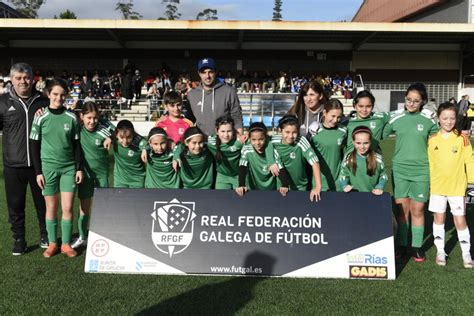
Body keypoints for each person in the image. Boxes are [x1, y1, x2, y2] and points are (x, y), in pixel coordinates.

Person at [382, 83, 438, 262]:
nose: (411, 104)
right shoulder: (396, 118)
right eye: (408, 100)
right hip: (400, 169)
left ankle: (416, 247)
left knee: (418, 208)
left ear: (423, 102)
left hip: (422, 170)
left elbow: (441, 138)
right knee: (401, 209)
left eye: (416, 101)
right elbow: (380, 132)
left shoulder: (429, 119)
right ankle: (400, 245)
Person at [30, 79, 83, 258]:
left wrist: (79, 168)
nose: (59, 98)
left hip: (68, 168)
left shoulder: (71, 117)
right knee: (51, 208)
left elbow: (77, 145)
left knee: (67, 207)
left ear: (66, 96)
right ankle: (53, 243)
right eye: (55, 94)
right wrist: (38, 172)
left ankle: (66, 244)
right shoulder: (40, 116)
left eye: (62, 95)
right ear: (48, 94)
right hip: (48, 169)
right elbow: (34, 146)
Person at [0, 63, 49, 255]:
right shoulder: (3, 102)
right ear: (11, 80)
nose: (23, 82)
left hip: (40, 166)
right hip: (13, 166)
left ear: (33, 78)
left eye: (26, 77)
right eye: (18, 78)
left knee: (43, 204)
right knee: (15, 207)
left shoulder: (43, 102)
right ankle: (19, 239)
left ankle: (46, 234)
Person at [428, 102, 474, 268]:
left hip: (457, 187)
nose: (448, 121)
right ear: (438, 119)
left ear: (456, 119)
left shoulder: (463, 139)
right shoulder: (432, 140)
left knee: (460, 219)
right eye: (445, 118)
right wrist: (430, 184)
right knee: (439, 219)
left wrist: (471, 182)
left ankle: (466, 254)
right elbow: (431, 163)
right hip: (438, 188)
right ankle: (441, 251)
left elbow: (470, 160)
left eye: (452, 118)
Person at [72, 102, 113, 249]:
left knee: (104, 207)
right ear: (82, 117)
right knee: (84, 207)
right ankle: (82, 236)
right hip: (85, 175)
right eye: (89, 117)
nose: (92, 121)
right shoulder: (77, 129)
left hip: (102, 175)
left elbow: (119, 131)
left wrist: (111, 138)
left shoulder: (104, 129)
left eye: (95, 118)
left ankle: (103, 235)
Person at [187, 58, 245, 141]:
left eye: (210, 72)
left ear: (215, 72)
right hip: (202, 143)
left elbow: (237, 117)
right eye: (204, 72)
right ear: (199, 74)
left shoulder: (229, 91)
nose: (207, 76)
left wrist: (240, 137)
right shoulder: (192, 94)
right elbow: (188, 120)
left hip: (224, 142)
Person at [271, 115, 322, 201]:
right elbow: (257, 140)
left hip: (300, 186)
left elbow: (315, 162)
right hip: (281, 186)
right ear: (280, 130)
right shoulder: (273, 141)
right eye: (287, 132)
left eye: (294, 132)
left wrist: (318, 186)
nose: (291, 136)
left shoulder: (301, 141)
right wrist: (270, 163)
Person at [236, 122, 289, 197]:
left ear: (265, 137)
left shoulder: (272, 150)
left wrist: (285, 185)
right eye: (253, 139)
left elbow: (280, 168)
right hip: (254, 189)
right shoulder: (247, 149)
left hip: (272, 190)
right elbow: (242, 167)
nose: (257, 143)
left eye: (261, 139)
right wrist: (241, 185)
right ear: (249, 138)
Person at [310, 99, 347, 191]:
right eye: (333, 116)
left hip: (339, 182)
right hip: (320, 183)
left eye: (339, 117)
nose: (335, 120)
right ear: (325, 113)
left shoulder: (343, 131)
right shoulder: (314, 131)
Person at [339, 126, 388, 195]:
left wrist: (379, 187)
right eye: (358, 143)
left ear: (370, 142)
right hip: (353, 196)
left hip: (373, 195)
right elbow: (343, 174)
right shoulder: (348, 159)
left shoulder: (378, 159)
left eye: (366, 143)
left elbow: (383, 175)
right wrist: (345, 185)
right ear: (353, 142)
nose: (362, 147)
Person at [342, 90, 390, 155]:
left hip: (372, 161)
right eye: (361, 106)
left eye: (368, 106)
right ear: (354, 106)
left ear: (372, 106)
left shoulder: (380, 118)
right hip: (351, 161)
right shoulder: (346, 123)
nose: (364, 110)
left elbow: (399, 114)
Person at [207, 116, 244, 189]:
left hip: (238, 176)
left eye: (229, 131)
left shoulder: (240, 142)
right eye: (223, 131)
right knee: (221, 199)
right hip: (222, 177)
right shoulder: (211, 143)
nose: (226, 135)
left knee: (240, 199)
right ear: (217, 131)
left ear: (233, 131)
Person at [112, 119, 147, 188]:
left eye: (128, 137)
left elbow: (149, 145)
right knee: (119, 199)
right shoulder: (113, 140)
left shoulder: (140, 142)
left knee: (137, 199)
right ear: (116, 135)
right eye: (121, 137)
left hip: (138, 180)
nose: (125, 141)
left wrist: (145, 149)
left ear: (133, 134)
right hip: (120, 179)